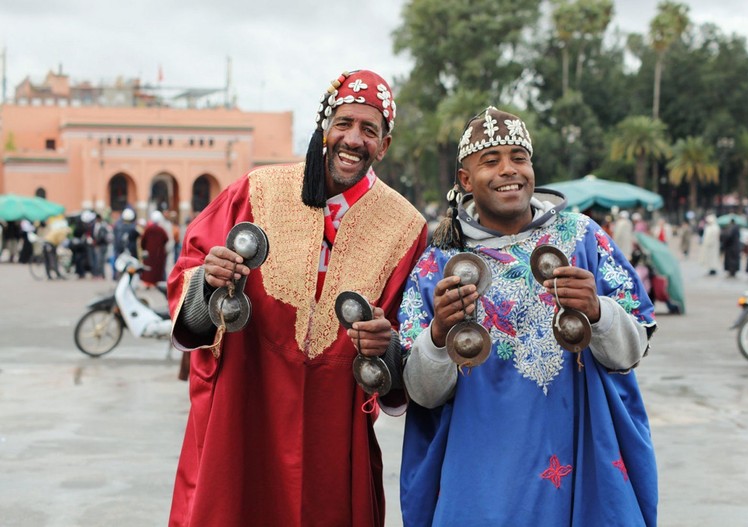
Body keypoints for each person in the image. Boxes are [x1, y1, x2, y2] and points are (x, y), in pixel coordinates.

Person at [166, 69, 427, 527]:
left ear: (383, 146)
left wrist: (384, 344)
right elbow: (191, 268)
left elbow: (408, 338)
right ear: (325, 127)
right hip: (245, 402)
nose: (353, 139)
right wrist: (209, 281)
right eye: (344, 123)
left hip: (334, 422)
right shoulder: (256, 190)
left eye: (370, 130)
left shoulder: (406, 227)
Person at [397, 107, 657, 526]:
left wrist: (597, 311)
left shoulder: (583, 237)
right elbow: (423, 395)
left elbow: (632, 350)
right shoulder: (437, 264)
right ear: (465, 180)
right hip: (481, 473)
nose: (508, 170)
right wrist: (439, 334)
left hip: (577, 459)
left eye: (519, 157)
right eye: (491, 161)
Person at [140, 210, 169, 285]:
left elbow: (143, 241)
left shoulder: (148, 229)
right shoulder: (161, 230)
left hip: (149, 253)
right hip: (158, 253)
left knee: (149, 268)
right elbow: (166, 239)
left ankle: (147, 283)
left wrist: (145, 248)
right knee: (157, 269)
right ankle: (155, 282)